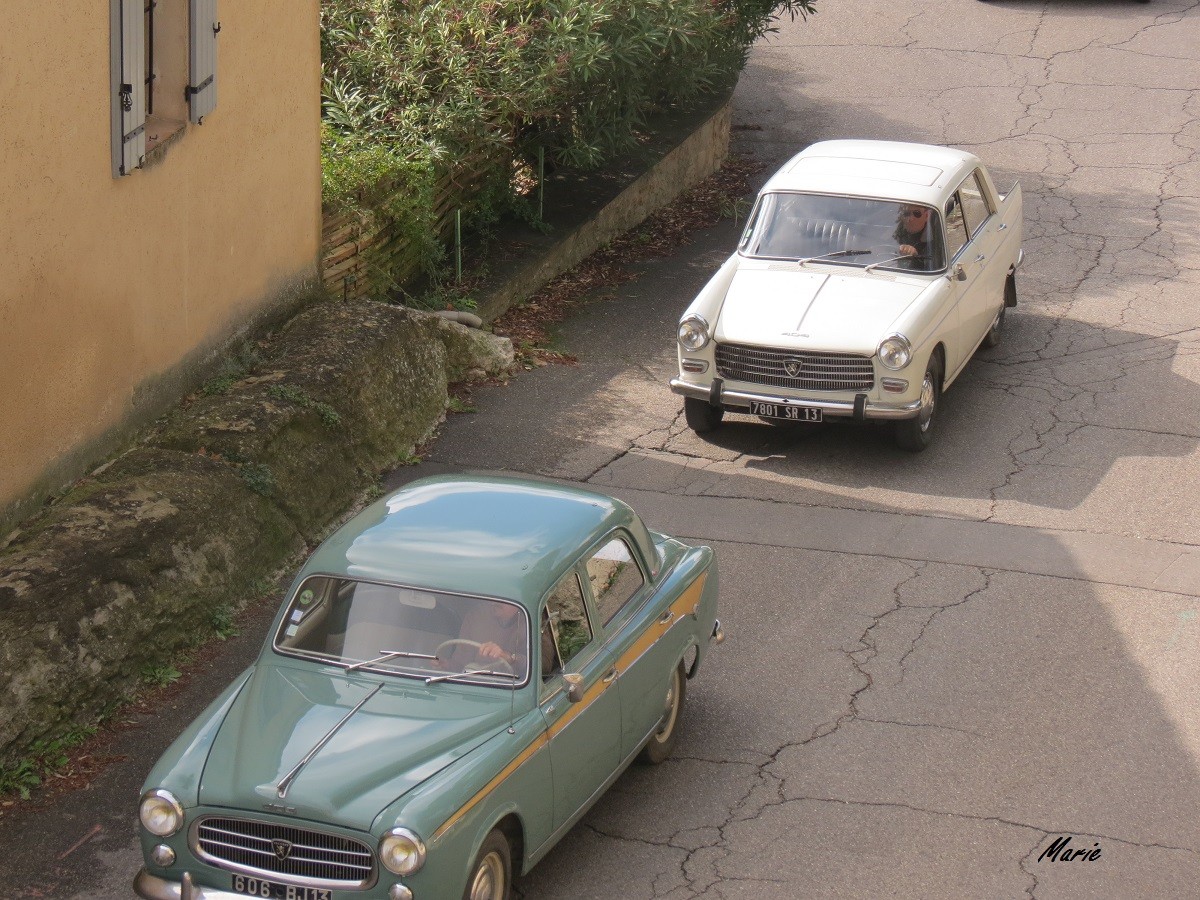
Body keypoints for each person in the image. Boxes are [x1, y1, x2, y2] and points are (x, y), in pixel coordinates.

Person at [448, 600, 527, 672]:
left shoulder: (530, 622)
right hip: (472, 680)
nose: (495, 602)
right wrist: (444, 665)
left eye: (504, 598)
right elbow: (460, 663)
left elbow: (532, 667)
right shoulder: (476, 616)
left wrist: (507, 657)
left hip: (512, 685)